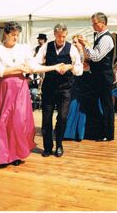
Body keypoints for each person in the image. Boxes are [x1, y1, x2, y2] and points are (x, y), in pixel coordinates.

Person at [0, 21, 62, 166]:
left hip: (20, 88)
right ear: (6, 34)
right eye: (13, 35)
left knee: (18, 121)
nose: (15, 38)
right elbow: (0, 72)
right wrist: (19, 68)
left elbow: (34, 67)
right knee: (2, 121)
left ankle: (15, 153)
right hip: (4, 89)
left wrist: (54, 67)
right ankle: (0, 154)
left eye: (17, 35)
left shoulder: (23, 49)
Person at [34, 23, 83, 157]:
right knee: (46, 118)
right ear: (54, 34)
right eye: (59, 36)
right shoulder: (46, 47)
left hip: (65, 88)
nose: (61, 39)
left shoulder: (72, 49)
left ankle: (59, 144)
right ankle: (47, 147)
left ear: (66, 35)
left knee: (62, 117)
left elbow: (79, 70)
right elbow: (36, 63)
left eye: (63, 36)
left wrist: (70, 67)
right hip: (49, 87)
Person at [78, 12, 115, 141]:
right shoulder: (99, 37)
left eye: (95, 23)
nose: (93, 25)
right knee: (97, 103)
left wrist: (86, 45)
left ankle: (108, 134)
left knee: (106, 105)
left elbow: (96, 56)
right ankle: (98, 130)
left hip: (104, 77)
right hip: (98, 77)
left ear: (103, 23)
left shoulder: (106, 38)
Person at [64, 35, 92, 141]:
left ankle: (80, 133)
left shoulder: (87, 54)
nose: (74, 44)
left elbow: (88, 65)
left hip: (86, 80)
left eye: (76, 42)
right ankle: (69, 133)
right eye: (73, 42)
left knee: (82, 107)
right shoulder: (72, 53)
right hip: (75, 80)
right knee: (72, 106)